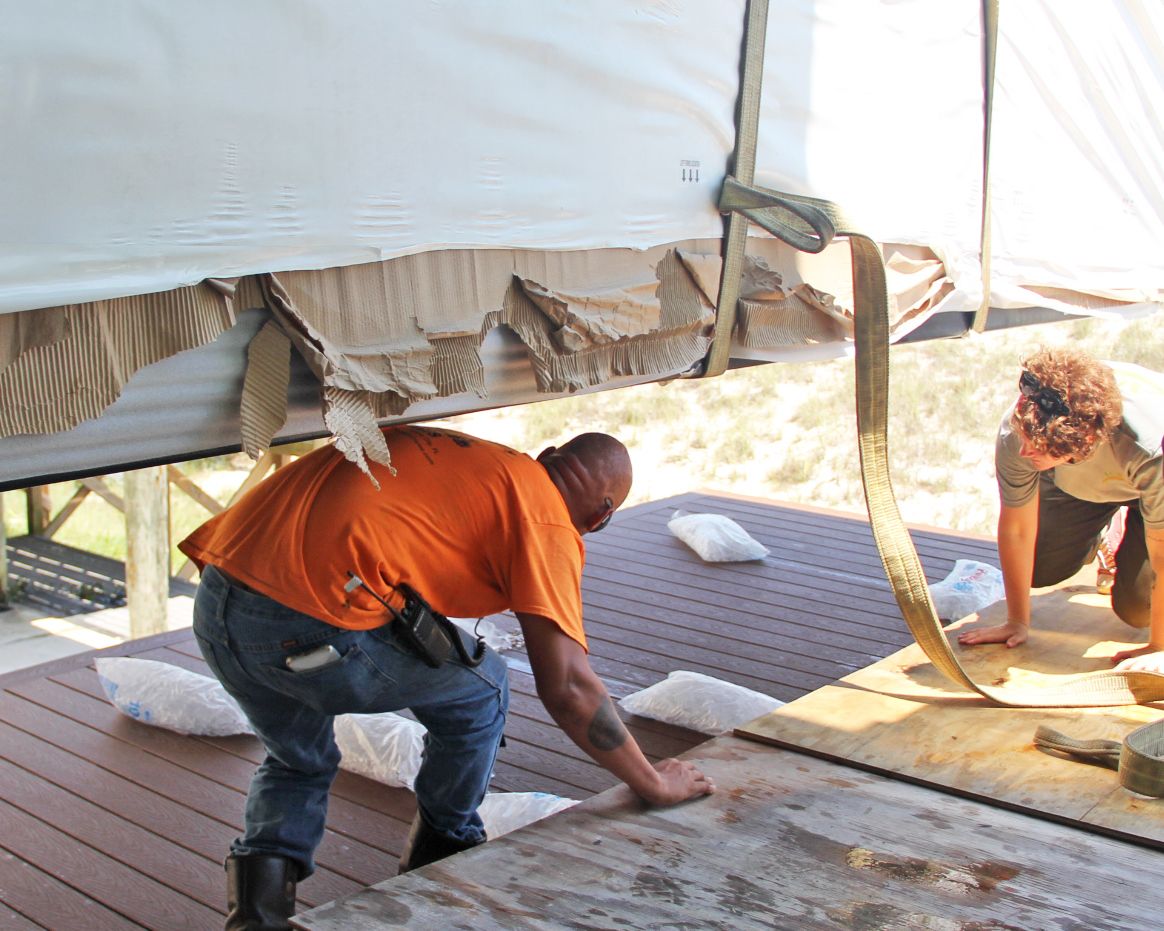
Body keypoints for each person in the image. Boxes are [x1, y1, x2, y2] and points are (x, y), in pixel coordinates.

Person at [179, 425, 715, 930]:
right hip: (307, 627)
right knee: (485, 688)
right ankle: (441, 854)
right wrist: (653, 782)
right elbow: (570, 689)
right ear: (600, 516)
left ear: (548, 457)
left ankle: (257, 917)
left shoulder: (479, 459)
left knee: (298, 757)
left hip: (218, 602)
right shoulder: (546, 516)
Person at [956, 347, 1164, 673]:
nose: (1024, 451)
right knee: (1037, 568)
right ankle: (1100, 536)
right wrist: (1016, 621)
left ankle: (1128, 525)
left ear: (1086, 442)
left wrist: (1159, 647)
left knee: (1139, 611)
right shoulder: (1021, 433)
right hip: (1078, 481)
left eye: (1037, 447)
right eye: (1025, 437)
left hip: (1146, 485)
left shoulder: (1148, 446)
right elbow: (1017, 530)